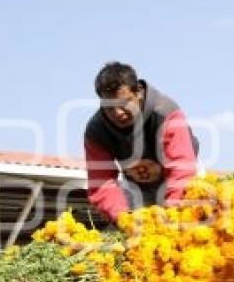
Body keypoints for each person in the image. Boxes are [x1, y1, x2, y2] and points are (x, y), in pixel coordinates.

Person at [84, 62, 198, 222]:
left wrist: (171, 215)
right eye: (110, 108)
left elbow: (182, 169)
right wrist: (122, 218)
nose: (118, 113)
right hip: (137, 189)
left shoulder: (167, 113)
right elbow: (101, 182)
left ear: (138, 91)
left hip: (180, 184)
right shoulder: (96, 131)